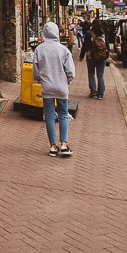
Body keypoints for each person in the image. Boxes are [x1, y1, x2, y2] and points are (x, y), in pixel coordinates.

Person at [33, 22, 75, 157]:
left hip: (47, 87)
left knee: (50, 116)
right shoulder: (63, 50)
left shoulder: (39, 49)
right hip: (61, 86)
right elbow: (70, 71)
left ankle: (52, 146)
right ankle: (64, 144)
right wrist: (68, 80)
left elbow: (36, 70)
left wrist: (40, 80)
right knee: (63, 114)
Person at [78, 18, 108, 99]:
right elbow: (107, 46)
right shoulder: (103, 34)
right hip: (102, 57)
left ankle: (93, 92)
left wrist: (81, 56)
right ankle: (100, 94)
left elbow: (84, 46)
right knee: (100, 75)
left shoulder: (89, 34)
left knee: (91, 74)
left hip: (91, 56)